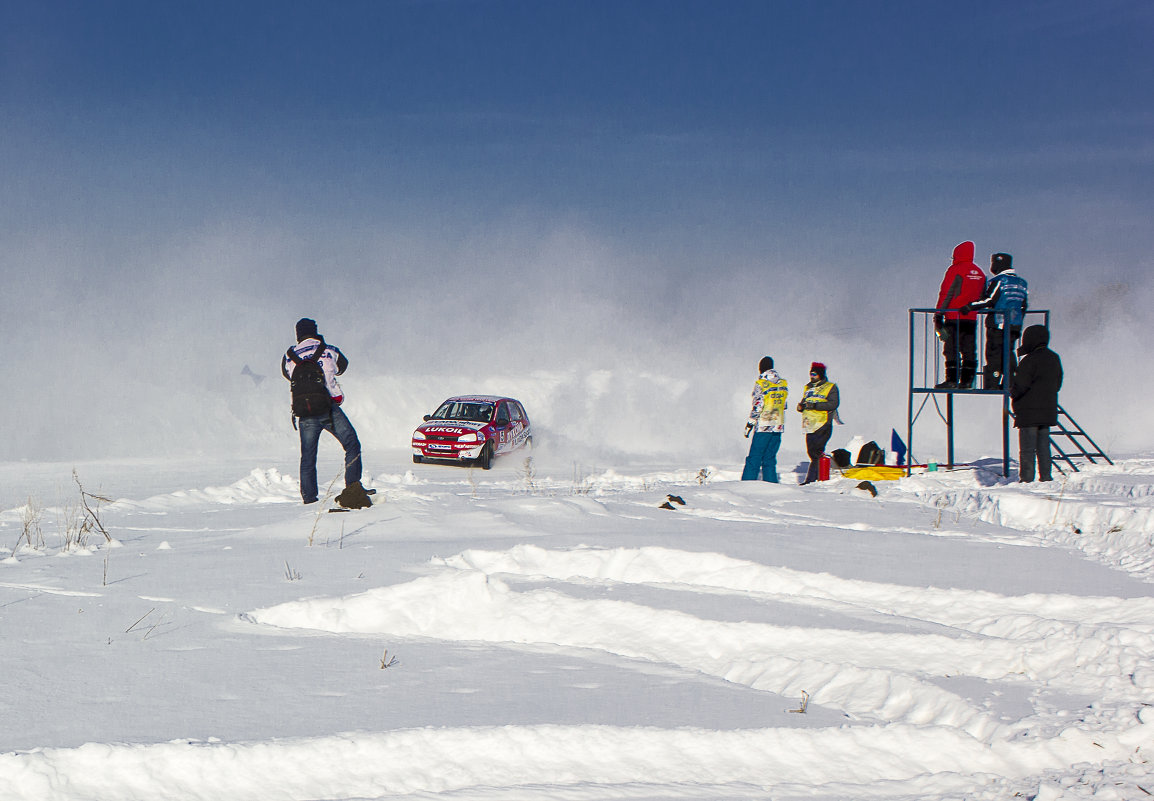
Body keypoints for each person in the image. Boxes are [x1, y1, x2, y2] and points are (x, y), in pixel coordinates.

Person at [282, 318, 371, 507]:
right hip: (328, 409)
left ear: (297, 334)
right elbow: (342, 367)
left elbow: (287, 374)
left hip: (304, 413)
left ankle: (309, 498)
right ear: (315, 331)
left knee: (308, 457)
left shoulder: (289, 356)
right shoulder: (329, 350)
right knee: (351, 444)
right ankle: (353, 488)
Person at [963, 252, 1028, 389]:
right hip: (1015, 324)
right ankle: (1010, 381)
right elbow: (1023, 305)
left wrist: (970, 306)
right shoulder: (1021, 283)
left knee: (994, 353)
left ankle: (992, 383)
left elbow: (989, 300)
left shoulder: (999, 281)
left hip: (998, 323)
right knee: (1008, 351)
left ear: (997, 265)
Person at [1010, 325, 1063, 482]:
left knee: (1027, 449)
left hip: (1028, 413)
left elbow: (1021, 385)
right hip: (1047, 411)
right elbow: (1058, 383)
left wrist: (1012, 391)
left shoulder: (1029, 361)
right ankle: (1046, 477)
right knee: (1044, 448)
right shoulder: (1054, 358)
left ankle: (1026, 479)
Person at [934, 241, 987, 389]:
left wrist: (939, 314)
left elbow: (946, 293)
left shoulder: (955, 270)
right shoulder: (980, 273)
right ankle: (967, 381)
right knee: (968, 349)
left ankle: (951, 380)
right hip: (971, 319)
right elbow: (983, 296)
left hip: (953, 317)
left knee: (950, 348)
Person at [742, 356, 788, 482]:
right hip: (778, 426)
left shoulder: (761, 384)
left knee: (754, 458)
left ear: (761, 369)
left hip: (763, 426)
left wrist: (750, 423)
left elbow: (758, 405)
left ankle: (747, 484)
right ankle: (771, 485)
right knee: (770, 458)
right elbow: (784, 405)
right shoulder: (783, 384)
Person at [796, 362, 841, 485]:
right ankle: (817, 477)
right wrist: (801, 407)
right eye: (811, 373)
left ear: (820, 374)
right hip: (809, 425)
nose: (812, 376)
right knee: (811, 452)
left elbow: (833, 404)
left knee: (816, 452)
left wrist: (815, 406)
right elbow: (805, 402)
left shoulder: (830, 387)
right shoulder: (808, 387)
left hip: (822, 423)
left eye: (814, 373)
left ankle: (812, 480)